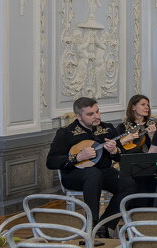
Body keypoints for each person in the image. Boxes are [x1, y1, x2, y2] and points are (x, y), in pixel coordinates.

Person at [46, 97, 125, 231]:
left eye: (97, 112)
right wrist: (78, 157)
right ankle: (92, 223)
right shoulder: (66, 133)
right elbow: (51, 162)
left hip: (104, 172)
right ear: (79, 116)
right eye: (90, 114)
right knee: (93, 174)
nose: (96, 116)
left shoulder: (108, 128)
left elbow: (121, 157)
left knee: (129, 183)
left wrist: (114, 151)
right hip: (74, 175)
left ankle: (105, 225)